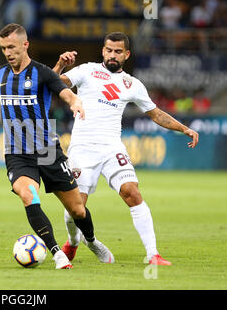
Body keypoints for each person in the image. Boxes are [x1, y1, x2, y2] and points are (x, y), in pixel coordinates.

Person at [0, 23, 114, 269]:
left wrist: (76, 103)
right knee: (28, 194)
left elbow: (65, 93)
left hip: (47, 150)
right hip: (17, 151)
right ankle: (56, 253)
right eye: (3, 48)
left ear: (25, 45)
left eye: (12, 47)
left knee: (78, 210)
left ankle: (92, 241)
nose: (8, 52)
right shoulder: (0, 74)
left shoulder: (42, 73)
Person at [52, 32, 199, 266]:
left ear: (126, 54)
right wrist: (60, 64)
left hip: (112, 148)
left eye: (118, 51)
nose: (112, 55)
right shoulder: (86, 70)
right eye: (109, 50)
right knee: (75, 208)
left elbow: (156, 113)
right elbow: (53, 83)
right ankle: (74, 242)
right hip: (82, 148)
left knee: (132, 192)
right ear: (103, 51)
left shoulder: (133, 84)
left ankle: (153, 254)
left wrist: (184, 128)